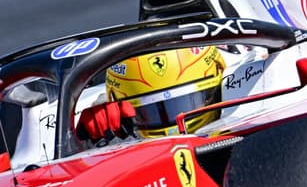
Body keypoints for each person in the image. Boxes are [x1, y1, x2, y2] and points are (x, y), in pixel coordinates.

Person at [76, 46, 226, 141]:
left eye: (188, 103)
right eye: (150, 112)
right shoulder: (105, 116)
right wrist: (83, 139)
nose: (173, 130)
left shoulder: (242, 82)